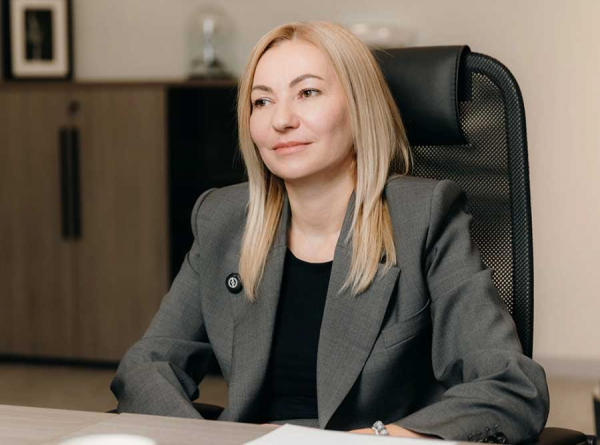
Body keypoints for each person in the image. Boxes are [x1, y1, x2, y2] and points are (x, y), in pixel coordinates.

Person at [111, 21, 549, 442]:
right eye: (262, 101)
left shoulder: (424, 218)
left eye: (307, 92)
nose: (281, 119)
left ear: (359, 107)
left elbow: (510, 387)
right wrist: (203, 440)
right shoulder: (222, 218)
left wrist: (375, 441)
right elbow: (146, 366)